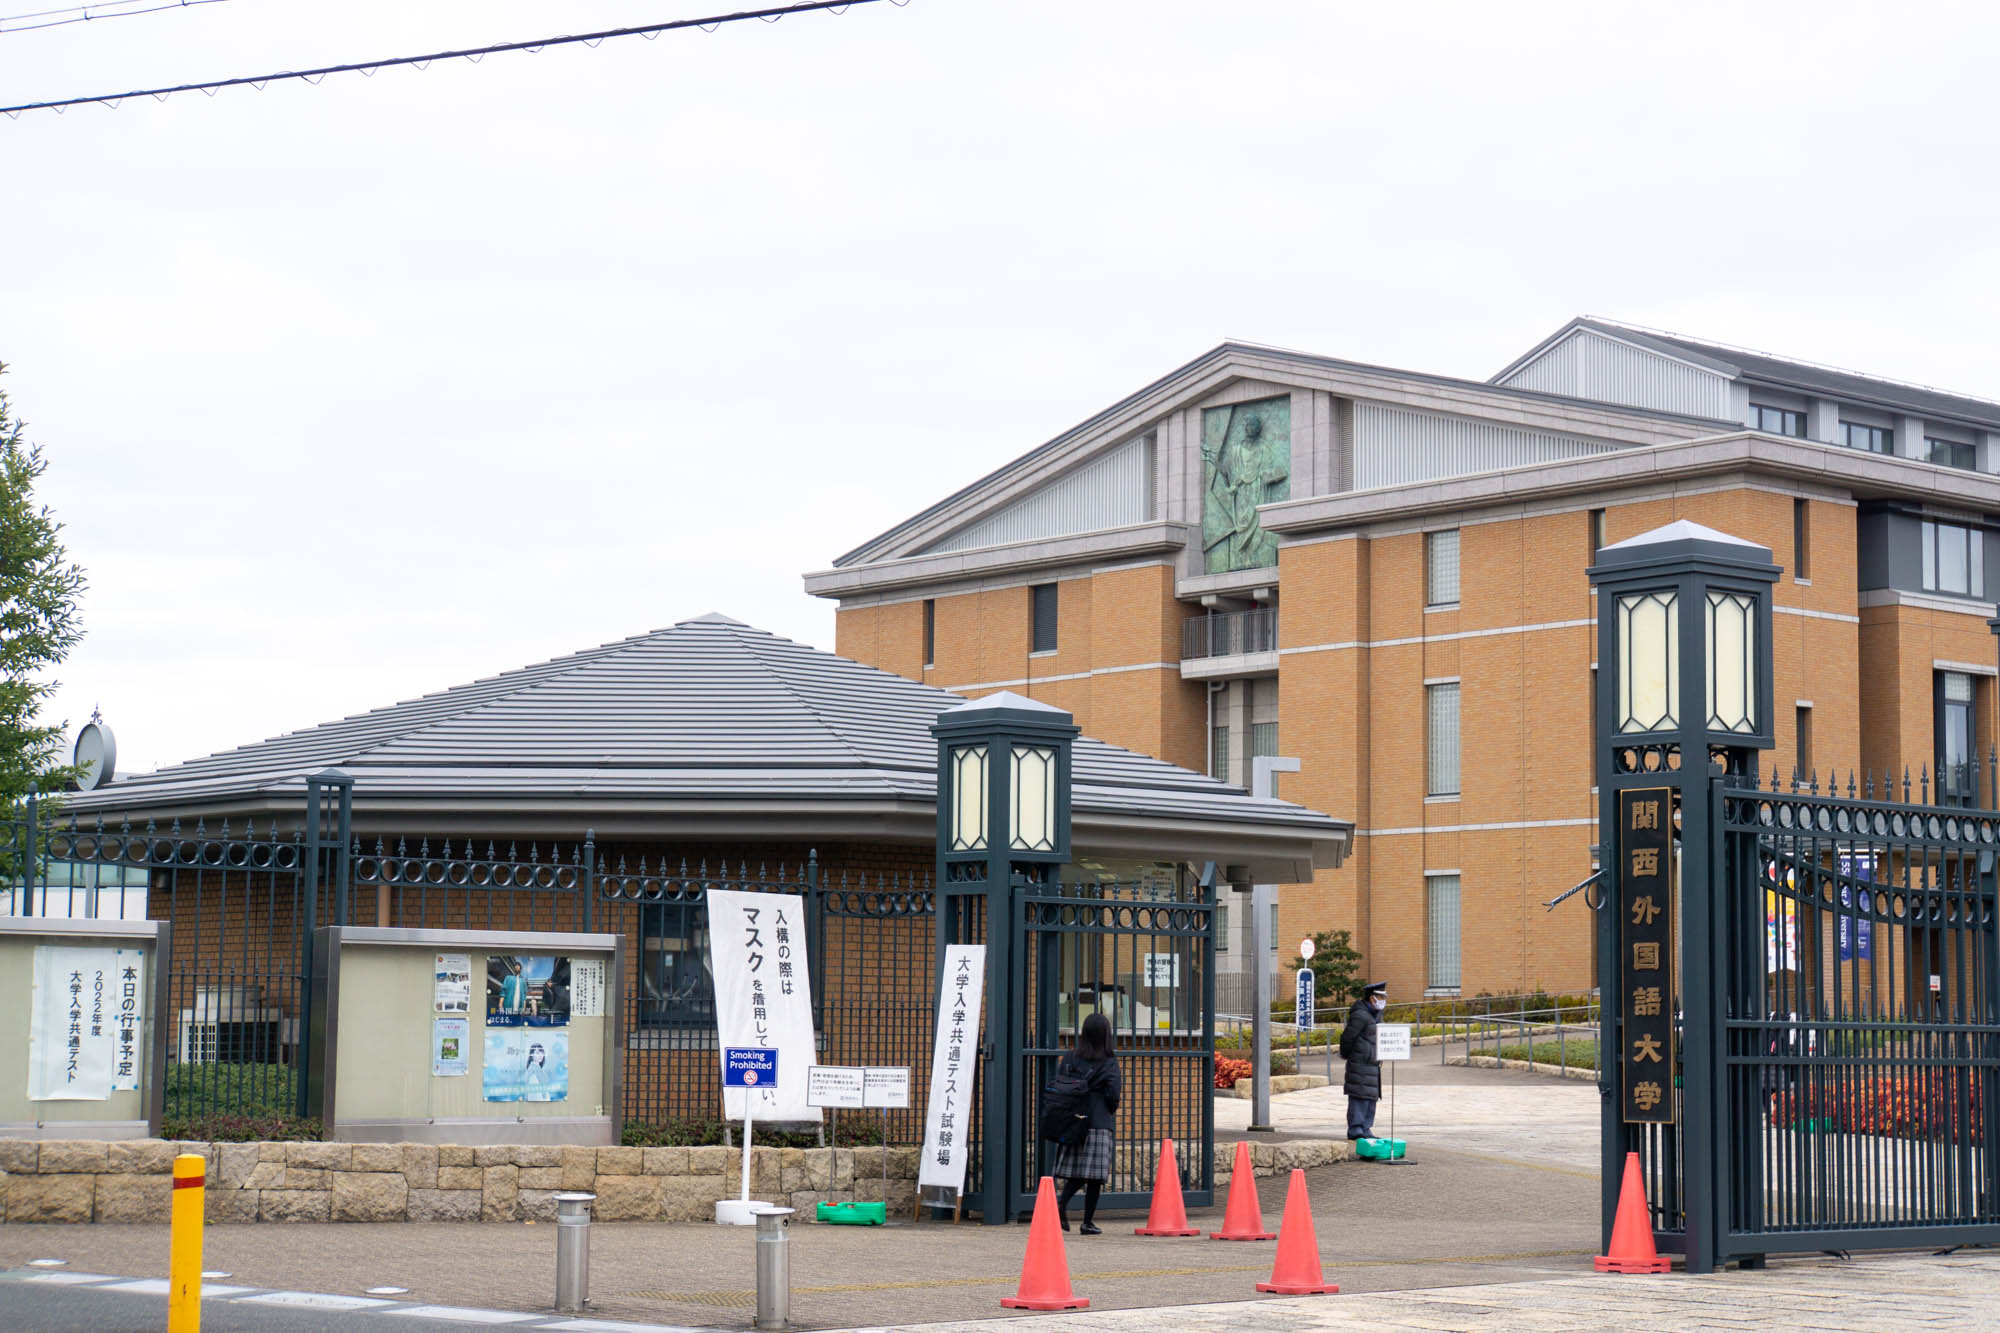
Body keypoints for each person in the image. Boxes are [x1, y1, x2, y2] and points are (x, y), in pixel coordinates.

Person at [1052, 1011, 1121, 1234]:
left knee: (1077, 1172)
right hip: (1098, 1120)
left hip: (1073, 1119)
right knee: (1094, 1176)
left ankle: (1061, 1204)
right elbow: (1113, 1094)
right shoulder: (1109, 1061)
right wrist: (1108, 1109)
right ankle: (1087, 1222)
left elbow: (1060, 1083)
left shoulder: (1070, 1057)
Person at [1340, 981, 1387, 1140]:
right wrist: (1350, 1055)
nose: (1383, 1000)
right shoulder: (1360, 1015)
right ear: (1372, 998)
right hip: (1360, 1062)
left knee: (1370, 1096)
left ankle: (1366, 1128)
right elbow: (1347, 1038)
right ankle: (1356, 1129)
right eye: (1380, 997)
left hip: (1373, 1063)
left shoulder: (1376, 1015)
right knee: (1359, 1095)